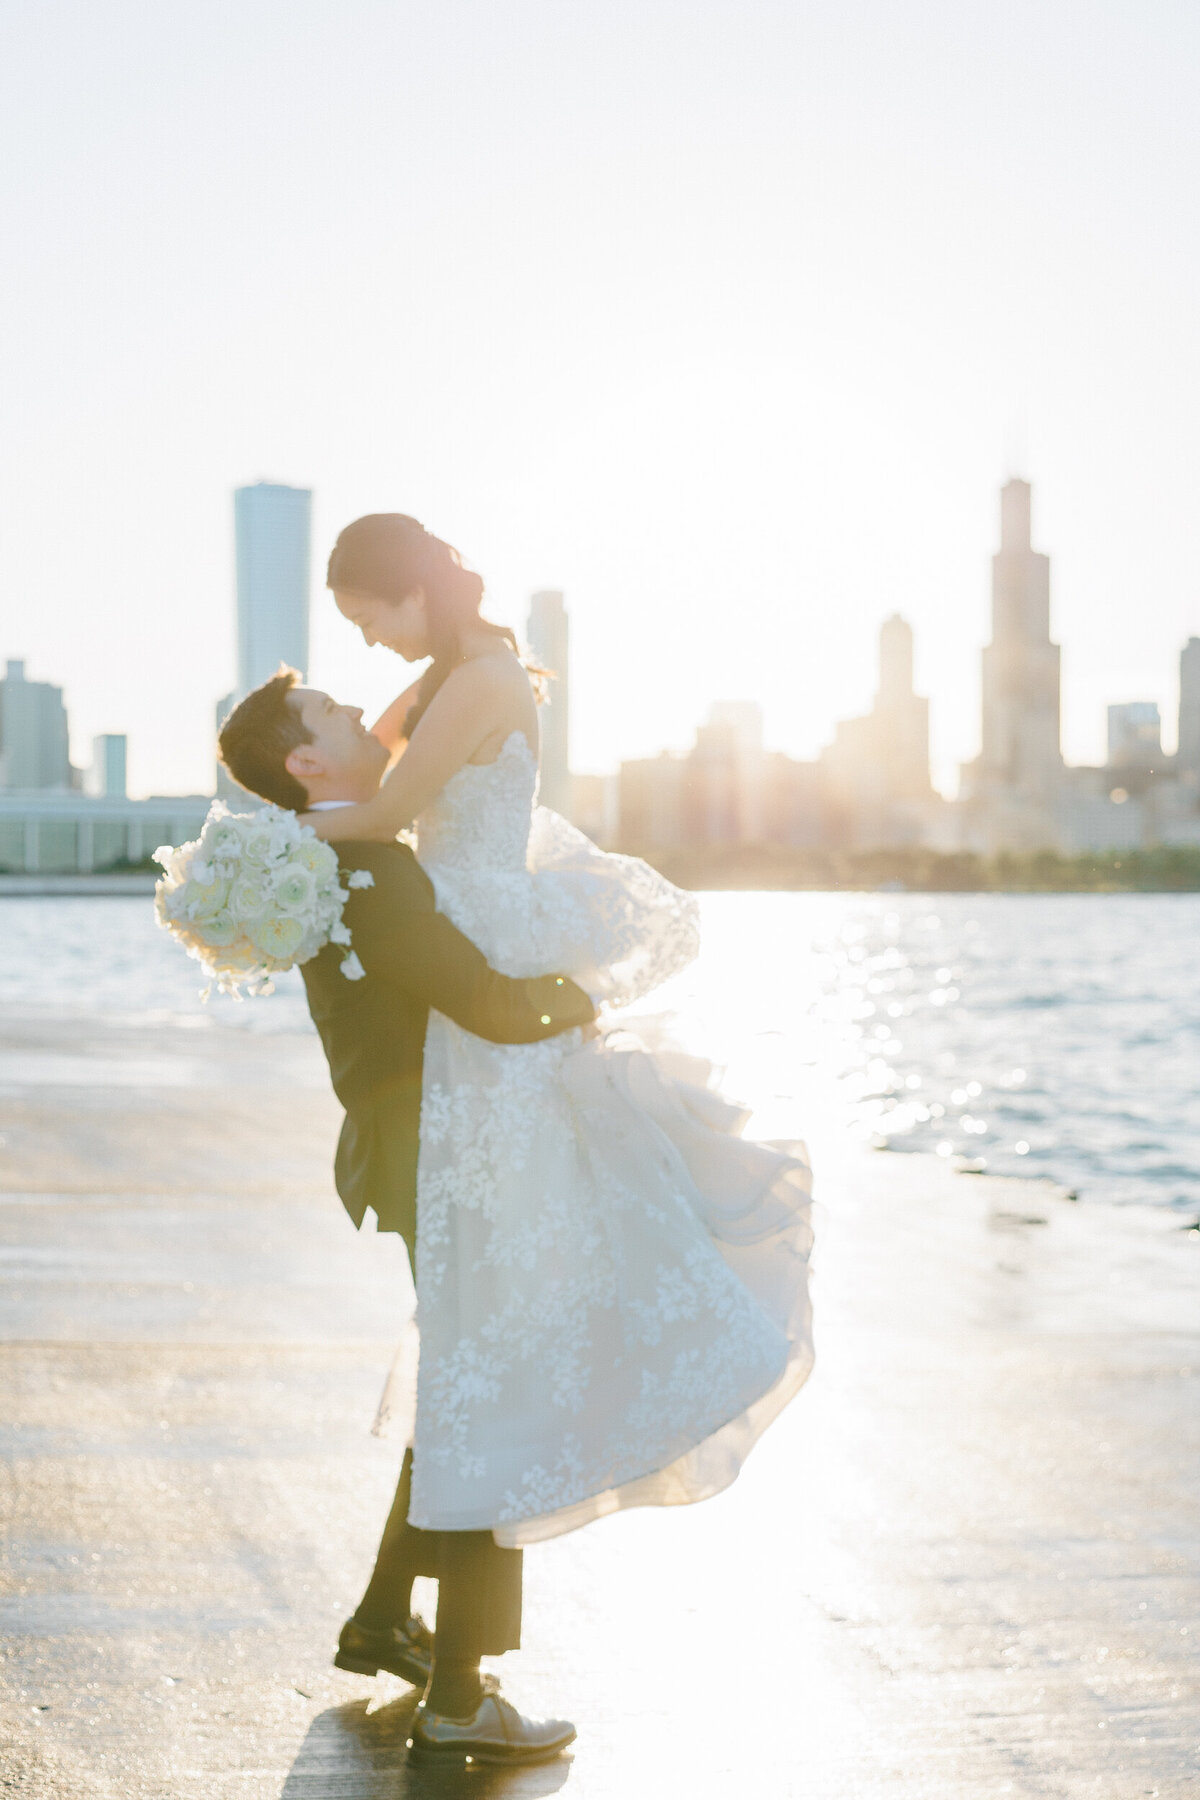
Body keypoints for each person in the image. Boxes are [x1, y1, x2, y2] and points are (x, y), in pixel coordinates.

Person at [303, 515, 814, 1538]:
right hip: (464, 928)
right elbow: (363, 762)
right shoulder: (457, 674)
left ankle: (452, 1600)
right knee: (482, 1324)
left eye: (370, 619)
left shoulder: (481, 680)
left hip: (480, 938)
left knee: (500, 1314)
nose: (367, 646)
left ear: (411, 591)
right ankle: (423, 1618)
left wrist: (260, 842)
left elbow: (382, 803)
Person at [218, 673, 586, 1767]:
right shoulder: (365, 862)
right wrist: (591, 997)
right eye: (335, 714)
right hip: (437, 1150)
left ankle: (386, 1618)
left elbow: (392, 736)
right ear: (306, 764)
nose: (361, 719)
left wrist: (449, 677)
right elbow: (473, 993)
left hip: (408, 1145)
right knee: (488, 1392)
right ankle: (461, 1697)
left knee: (466, 1381)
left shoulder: (332, 846)